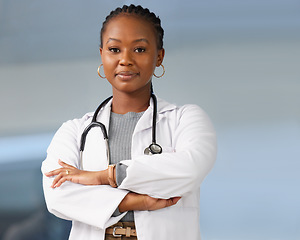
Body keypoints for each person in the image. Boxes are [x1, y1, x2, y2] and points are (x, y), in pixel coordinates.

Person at [41, 4, 216, 240]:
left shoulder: (185, 119)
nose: (126, 60)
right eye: (114, 49)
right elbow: (58, 195)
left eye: (140, 49)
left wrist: (104, 176)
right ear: (102, 55)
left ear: (159, 56)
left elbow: (189, 168)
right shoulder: (74, 131)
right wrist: (134, 201)